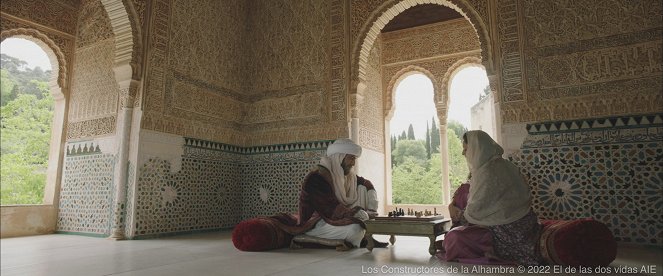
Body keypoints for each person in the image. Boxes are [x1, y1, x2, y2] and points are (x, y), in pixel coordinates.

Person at [441, 130, 543, 266]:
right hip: (527, 226)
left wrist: (458, 215)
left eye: (466, 149)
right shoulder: (507, 165)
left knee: (454, 238)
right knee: (464, 191)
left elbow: (475, 212)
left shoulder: (486, 173)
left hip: (504, 234)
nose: (463, 153)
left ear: (477, 149)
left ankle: (488, 252)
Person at [297, 138, 387, 248]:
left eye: (354, 159)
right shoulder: (317, 178)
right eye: (351, 158)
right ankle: (360, 238)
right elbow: (332, 210)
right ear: (340, 157)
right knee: (356, 229)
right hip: (317, 223)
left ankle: (362, 237)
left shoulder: (347, 176)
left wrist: (372, 207)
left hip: (336, 220)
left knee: (362, 189)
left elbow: (366, 184)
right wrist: (363, 214)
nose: (353, 163)